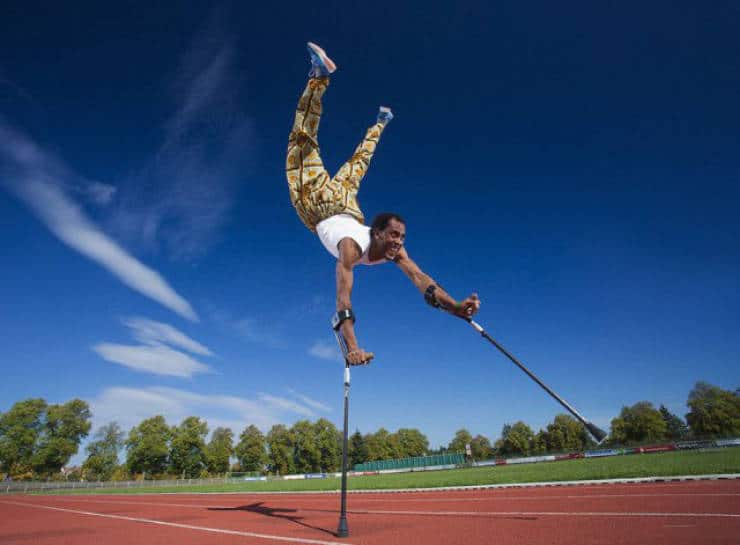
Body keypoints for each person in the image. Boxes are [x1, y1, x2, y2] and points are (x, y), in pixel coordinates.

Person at [286, 42, 480, 366]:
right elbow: (343, 297)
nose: (399, 244)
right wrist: (352, 346)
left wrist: (456, 307)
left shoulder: (392, 250)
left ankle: (380, 122)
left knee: (360, 163)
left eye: (401, 238)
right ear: (376, 233)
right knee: (301, 144)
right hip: (318, 206)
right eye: (393, 236)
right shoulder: (351, 247)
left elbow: (423, 281)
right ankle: (319, 77)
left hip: (347, 207)